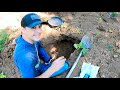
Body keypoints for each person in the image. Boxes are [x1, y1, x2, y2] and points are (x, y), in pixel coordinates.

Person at [13, 13, 70, 78]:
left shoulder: (27, 37)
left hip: (38, 66)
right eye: (33, 27)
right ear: (23, 30)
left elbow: (16, 40)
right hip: (35, 74)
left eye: (39, 26)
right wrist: (52, 69)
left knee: (38, 44)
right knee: (66, 65)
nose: (39, 31)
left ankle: (48, 61)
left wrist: (49, 60)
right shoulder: (25, 57)